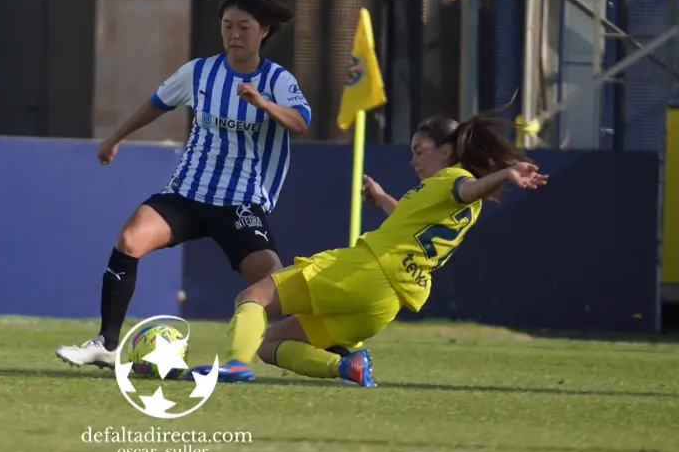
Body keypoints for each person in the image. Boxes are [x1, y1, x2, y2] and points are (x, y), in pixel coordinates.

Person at [186, 112, 549, 386]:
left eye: (419, 150)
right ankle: (346, 367)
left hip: (362, 272)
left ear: (446, 150)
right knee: (269, 345)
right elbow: (411, 225)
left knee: (254, 295)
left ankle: (234, 364)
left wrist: (505, 174)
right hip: (381, 306)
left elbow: (468, 187)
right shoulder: (452, 200)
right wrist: (383, 199)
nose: (413, 160)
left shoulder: (456, 180)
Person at [56, 0, 312, 369]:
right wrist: (115, 139)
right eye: (227, 26)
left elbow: (301, 123)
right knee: (129, 240)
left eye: (244, 26)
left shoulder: (277, 80)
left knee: (273, 281)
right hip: (187, 194)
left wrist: (263, 104)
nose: (234, 35)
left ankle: (324, 346)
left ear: (264, 32)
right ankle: (107, 345)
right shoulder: (200, 72)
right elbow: (155, 104)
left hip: (239, 203)